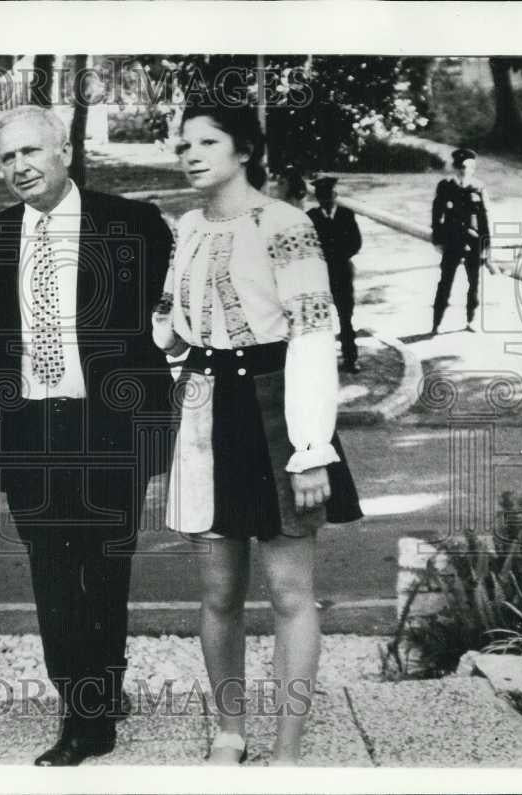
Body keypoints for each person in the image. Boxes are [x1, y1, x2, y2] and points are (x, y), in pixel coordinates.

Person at [151, 96, 363, 766]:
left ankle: (289, 749)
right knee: (218, 594)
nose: (189, 154)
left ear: (244, 150)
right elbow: (172, 328)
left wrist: (310, 449)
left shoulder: (285, 223)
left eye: (206, 143)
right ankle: (229, 731)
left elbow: (311, 338)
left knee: (291, 594)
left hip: (276, 414)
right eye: (183, 144)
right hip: (206, 415)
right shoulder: (185, 226)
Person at [0, 105, 173, 766]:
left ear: (65, 147)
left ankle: (104, 692)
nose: (21, 167)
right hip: (32, 429)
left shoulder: (131, 224)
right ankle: (79, 712)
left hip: (108, 426)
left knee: (105, 567)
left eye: (32, 151)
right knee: (53, 573)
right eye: (7, 158)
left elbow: (159, 325)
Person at [430, 147, 495, 334]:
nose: (463, 170)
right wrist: (437, 240)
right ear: (455, 167)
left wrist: (486, 245)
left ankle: (470, 320)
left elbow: (485, 218)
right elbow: (437, 215)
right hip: (451, 241)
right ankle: (436, 323)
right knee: (445, 282)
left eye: (466, 167)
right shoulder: (446, 186)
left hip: (473, 242)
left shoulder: (478, 188)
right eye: (459, 167)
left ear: (472, 169)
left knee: (474, 282)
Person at [307, 176, 363, 373]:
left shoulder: (346, 214)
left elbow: (356, 242)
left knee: (346, 316)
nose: (327, 200)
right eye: (322, 197)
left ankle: (350, 358)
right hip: (319, 274)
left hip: (342, 271)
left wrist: (338, 256)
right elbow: (308, 246)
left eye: (329, 196)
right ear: (318, 198)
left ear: (335, 195)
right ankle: (320, 362)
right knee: (318, 318)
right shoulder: (311, 217)